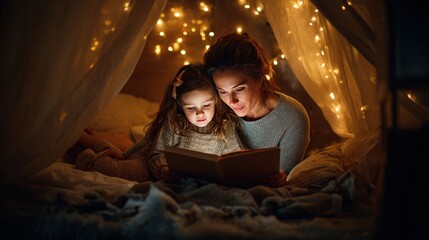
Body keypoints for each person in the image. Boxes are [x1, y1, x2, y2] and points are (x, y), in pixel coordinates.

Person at [76, 64, 244, 182]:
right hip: (151, 166)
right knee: (120, 170)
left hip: (198, 181)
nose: (200, 113)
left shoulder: (225, 126)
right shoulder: (174, 124)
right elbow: (155, 153)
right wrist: (163, 170)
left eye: (206, 105)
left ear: (216, 100)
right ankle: (87, 156)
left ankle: (103, 146)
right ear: (180, 106)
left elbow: (235, 157)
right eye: (191, 107)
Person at [203, 32, 310, 186]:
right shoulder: (214, 108)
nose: (231, 101)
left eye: (239, 89)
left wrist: (282, 177)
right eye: (223, 91)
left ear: (259, 78)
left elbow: (286, 176)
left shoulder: (292, 116)